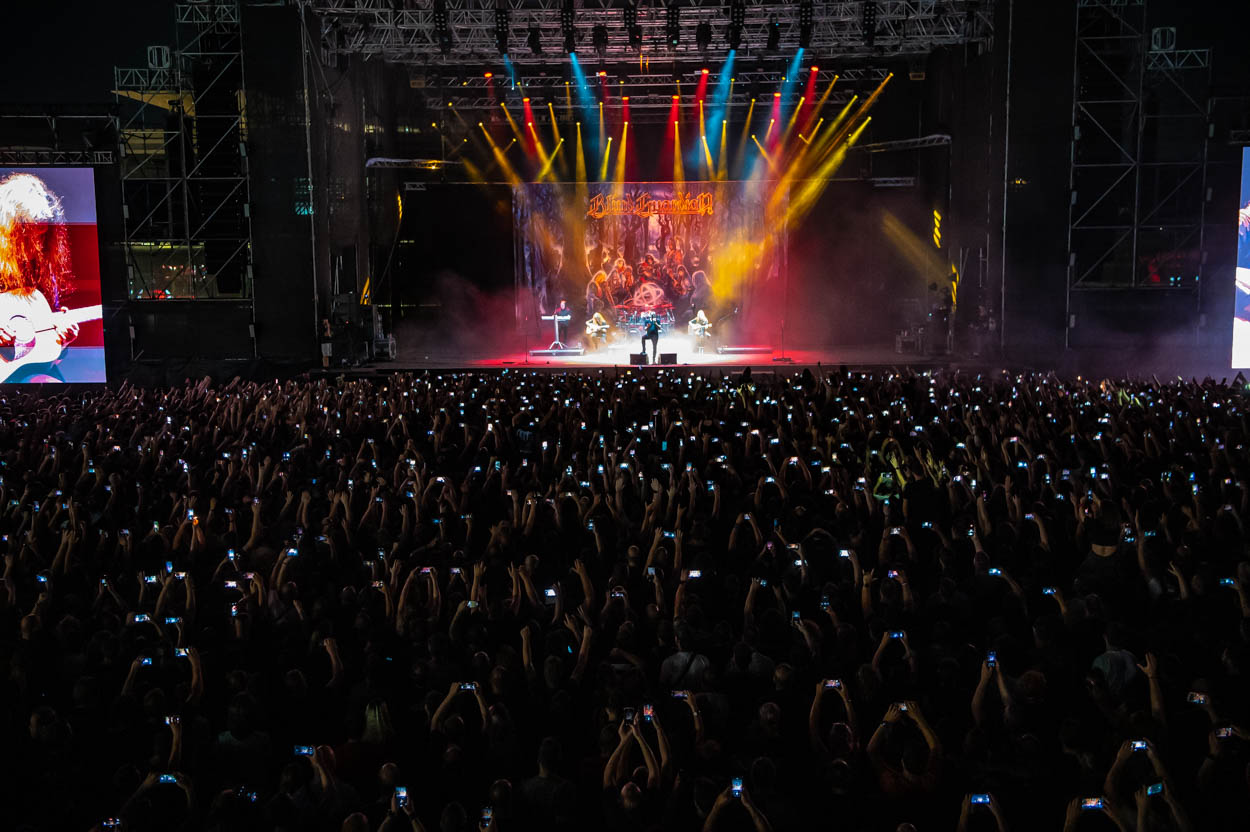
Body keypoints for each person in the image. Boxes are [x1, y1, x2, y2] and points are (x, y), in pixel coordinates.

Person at [0, 172, 81, 381]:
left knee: (55, 388)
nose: (36, 244)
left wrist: (63, 342)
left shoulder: (43, 268)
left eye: (43, 234)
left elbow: (48, 351)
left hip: (28, 371)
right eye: (27, 234)